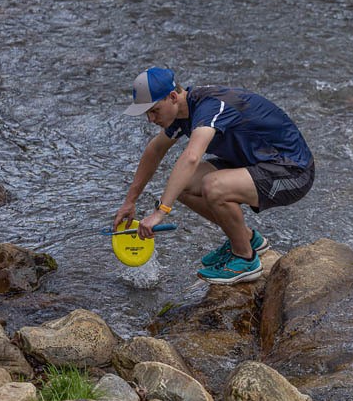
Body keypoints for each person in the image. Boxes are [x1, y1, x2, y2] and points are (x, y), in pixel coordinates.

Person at [114, 67, 314, 284]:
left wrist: (160, 212)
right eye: (147, 114)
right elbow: (155, 151)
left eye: (154, 111)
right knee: (182, 185)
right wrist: (129, 201)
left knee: (213, 186)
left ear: (172, 97)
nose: (150, 119)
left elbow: (192, 156)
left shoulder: (210, 107)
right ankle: (247, 240)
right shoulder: (182, 112)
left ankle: (245, 260)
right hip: (259, 164)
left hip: (293, 172)